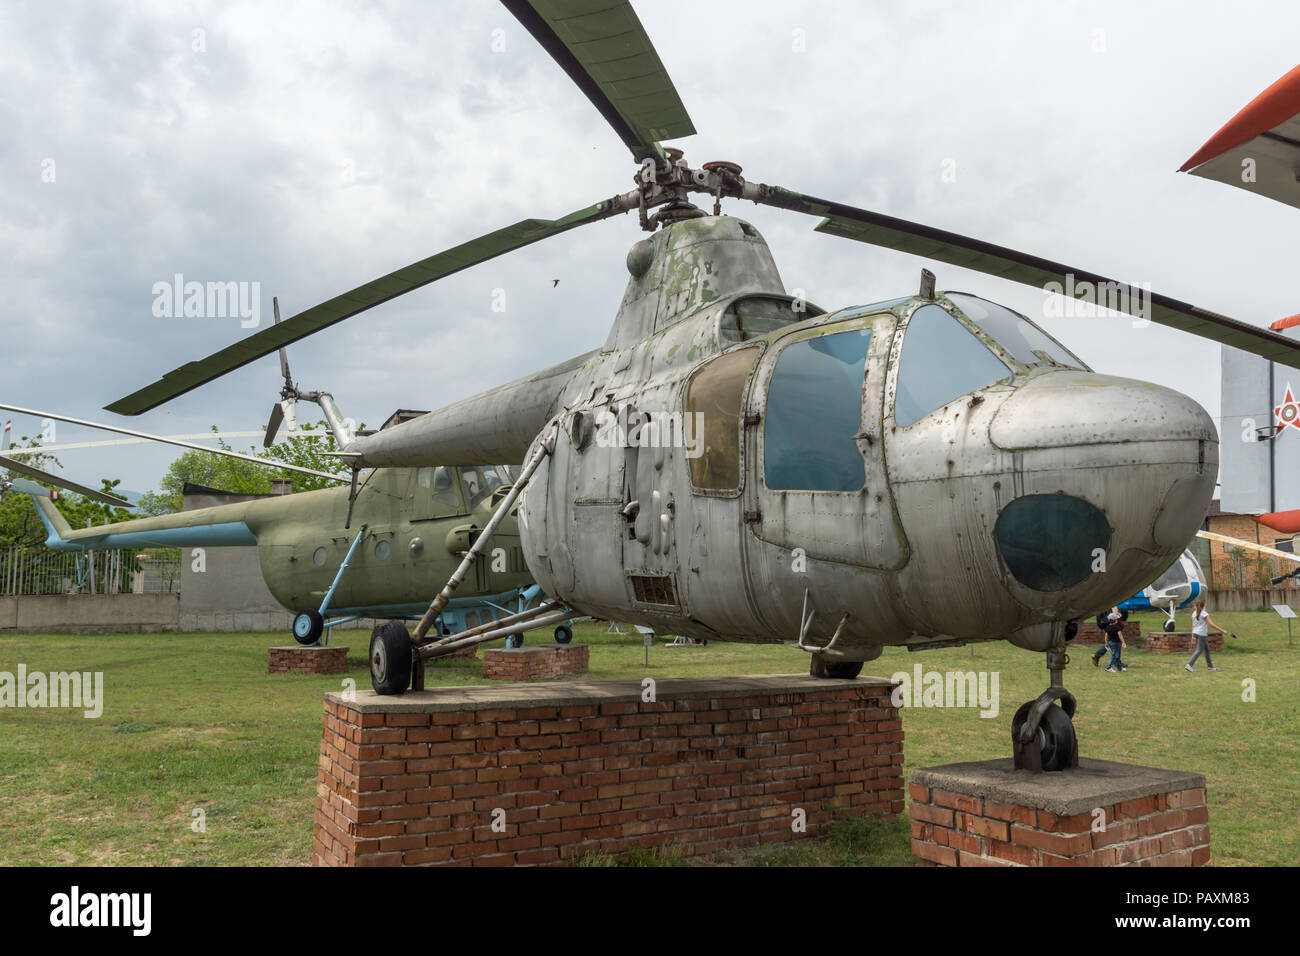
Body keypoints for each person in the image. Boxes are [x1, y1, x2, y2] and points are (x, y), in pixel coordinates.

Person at [1185, 600, 1221, 672]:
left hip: (1196, 633)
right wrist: (1222, 630)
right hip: (1202, 634)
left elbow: (1193, 625)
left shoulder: (1193, 614)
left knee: (1207, 649)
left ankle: (1210, 667)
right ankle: (1189, 665)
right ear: (1203, 606)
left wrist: (1193, 636)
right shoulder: (1204, 613)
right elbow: (1211, 624)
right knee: (1199, 650)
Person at [1091, 606, 1128, 671]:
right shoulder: (1111, 601)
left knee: (1111, 643)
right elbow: (1114, 608)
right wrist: (1117, 615)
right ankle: (1115, 663)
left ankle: (1097, 656)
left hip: (1104, 621)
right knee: (1115, 643)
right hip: (1107, 621)